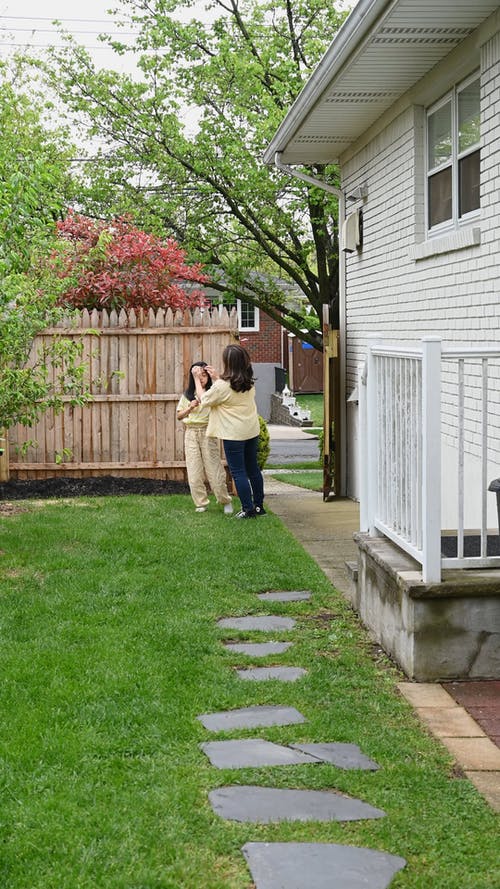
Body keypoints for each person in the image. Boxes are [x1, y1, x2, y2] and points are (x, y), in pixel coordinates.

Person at [192, 344, 265, 519]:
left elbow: (204, 399)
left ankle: (247, 510)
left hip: (234, 435)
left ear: (228, 363)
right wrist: (217, 378)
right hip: (251, 431)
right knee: (253, 469)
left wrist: (196, 378)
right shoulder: (249, 382)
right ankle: (258, 507)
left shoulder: (223, 386)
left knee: (238, 472)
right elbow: (230, 390)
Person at [177, 361, 233, 514]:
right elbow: (179, 416)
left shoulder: (212, 393)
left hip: (208, 432)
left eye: (204, 375)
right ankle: (201, 503)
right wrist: (190, 407)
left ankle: (225, 500)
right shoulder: (187, 395)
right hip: (191, 433)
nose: (202, 378)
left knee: (214, 470)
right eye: (198, 376)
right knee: (194, 470)